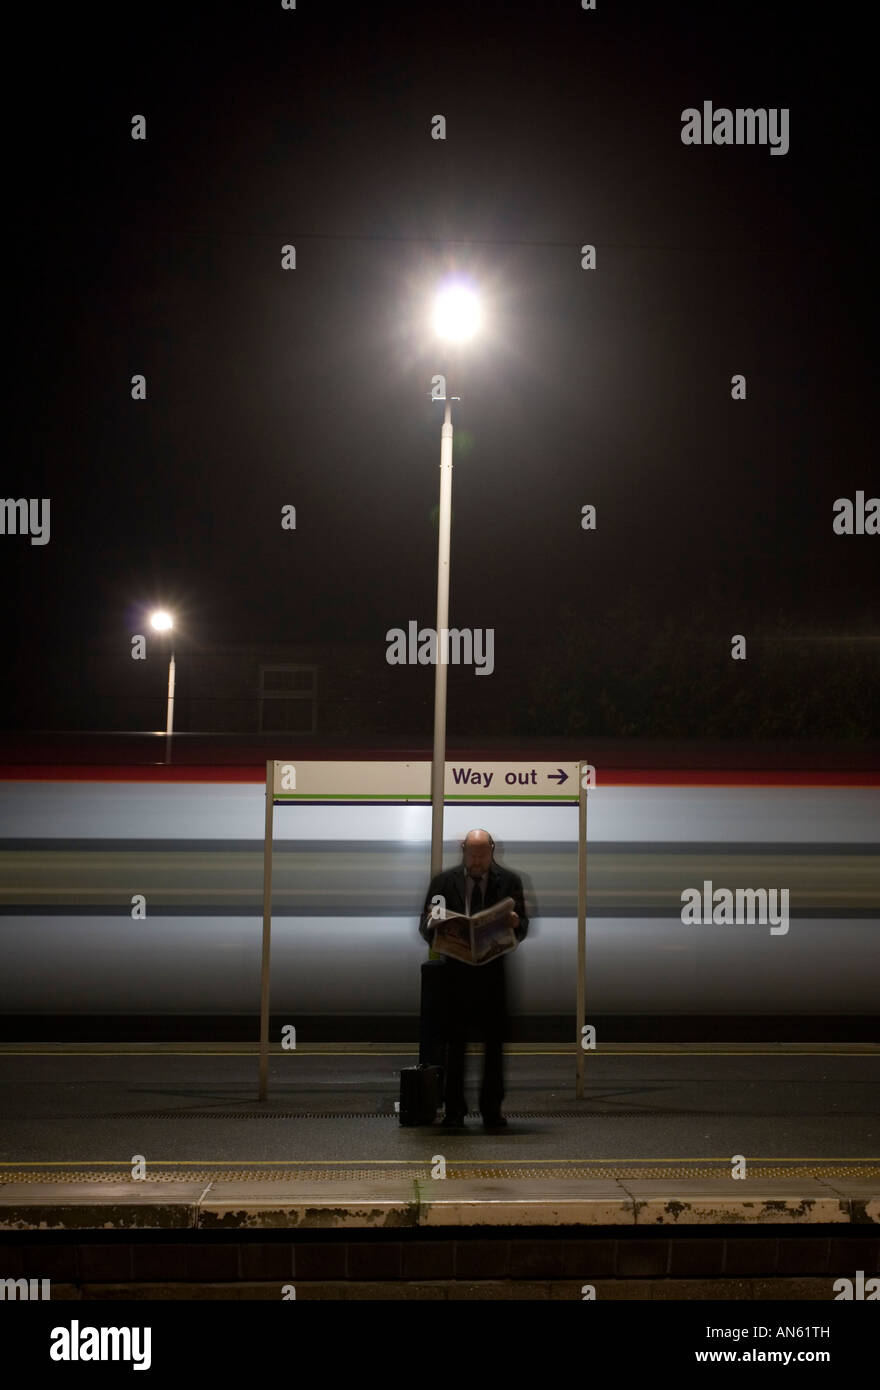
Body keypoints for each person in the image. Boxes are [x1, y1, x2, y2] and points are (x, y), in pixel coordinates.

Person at [418, 829, 528, 1130]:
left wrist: (516, 923)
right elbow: (423, 927)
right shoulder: (443, 883)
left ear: (492, 851)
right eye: (472, 853)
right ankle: (454, 1112)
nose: (477, 860)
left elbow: (524, 927)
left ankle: (492, 1111)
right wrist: (435, 925)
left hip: (493, 978)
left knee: (494, 1047)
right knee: (455, 1047)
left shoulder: (510, 883)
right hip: (456, 979)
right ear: (463, 850)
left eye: (482, 854)